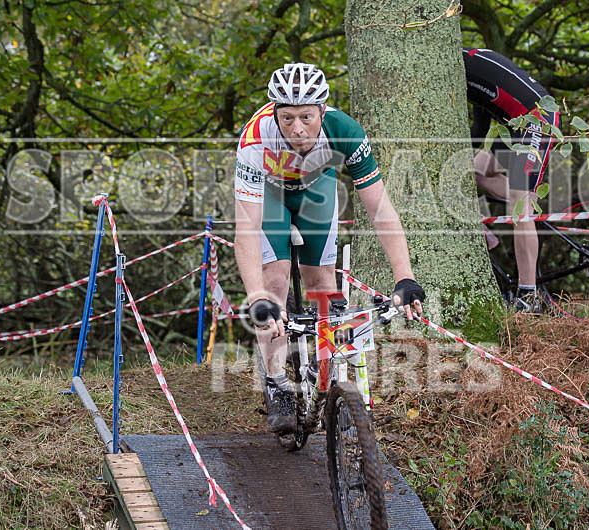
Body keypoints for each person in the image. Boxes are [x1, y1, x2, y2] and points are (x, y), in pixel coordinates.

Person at [233, 63, 426, 434]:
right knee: (274, 284)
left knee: (323, 285)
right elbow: (247, 228)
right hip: (269, 196)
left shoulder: (346, 132)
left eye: (306, 116)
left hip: (314, 191)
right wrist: (256, 295)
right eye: (287, 118)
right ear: (275, 113)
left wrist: (405, 276)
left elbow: (381, 210)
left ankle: (326, 379)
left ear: (323, 110)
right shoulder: (255, 139)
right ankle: (277, 385)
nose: (297, 128)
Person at [463, 48, 561, 314]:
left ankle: (528, 297)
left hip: (535, 121)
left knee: (519, 209)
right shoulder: (467, 66)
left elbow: (478, 130)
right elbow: (480, 126)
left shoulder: (462, 66)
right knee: (473, 169)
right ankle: (529, 206)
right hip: (514, 127)